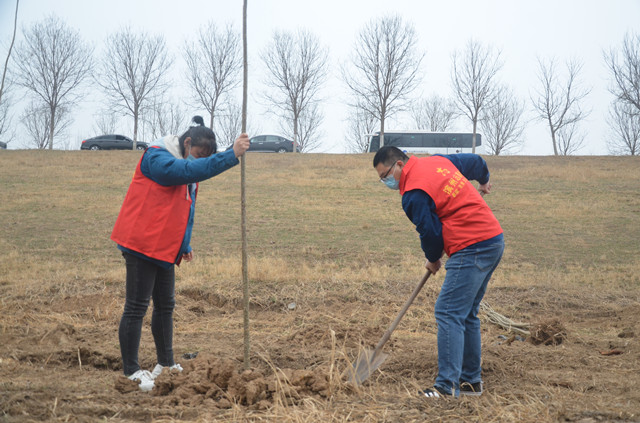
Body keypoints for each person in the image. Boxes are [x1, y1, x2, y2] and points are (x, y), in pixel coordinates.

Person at [111, 116, 250, 391]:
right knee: (136, 307)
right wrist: (230, 156)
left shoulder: (187, 169)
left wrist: (183, 244)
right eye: (197, 156)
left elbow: (187, 208)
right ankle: (131, 372)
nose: (197, 163)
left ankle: (165, 364)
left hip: (164, 248)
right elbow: (183, 172)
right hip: (140, 244)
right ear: (187, 143)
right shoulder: (157, 157)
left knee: (165, 306)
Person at [373, 146, 504, 398]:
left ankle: (446, 387)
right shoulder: (437, 161)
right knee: (466, 314)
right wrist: (484, 181)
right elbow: (476, 162)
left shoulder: (413, 193)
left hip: (471, 246)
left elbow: (430, 233)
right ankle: (470, 383)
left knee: (448, 311)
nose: (385, 182)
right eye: (381, 179)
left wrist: (432, 258)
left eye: (385, 175)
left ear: (399, 164)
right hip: (493, 240)